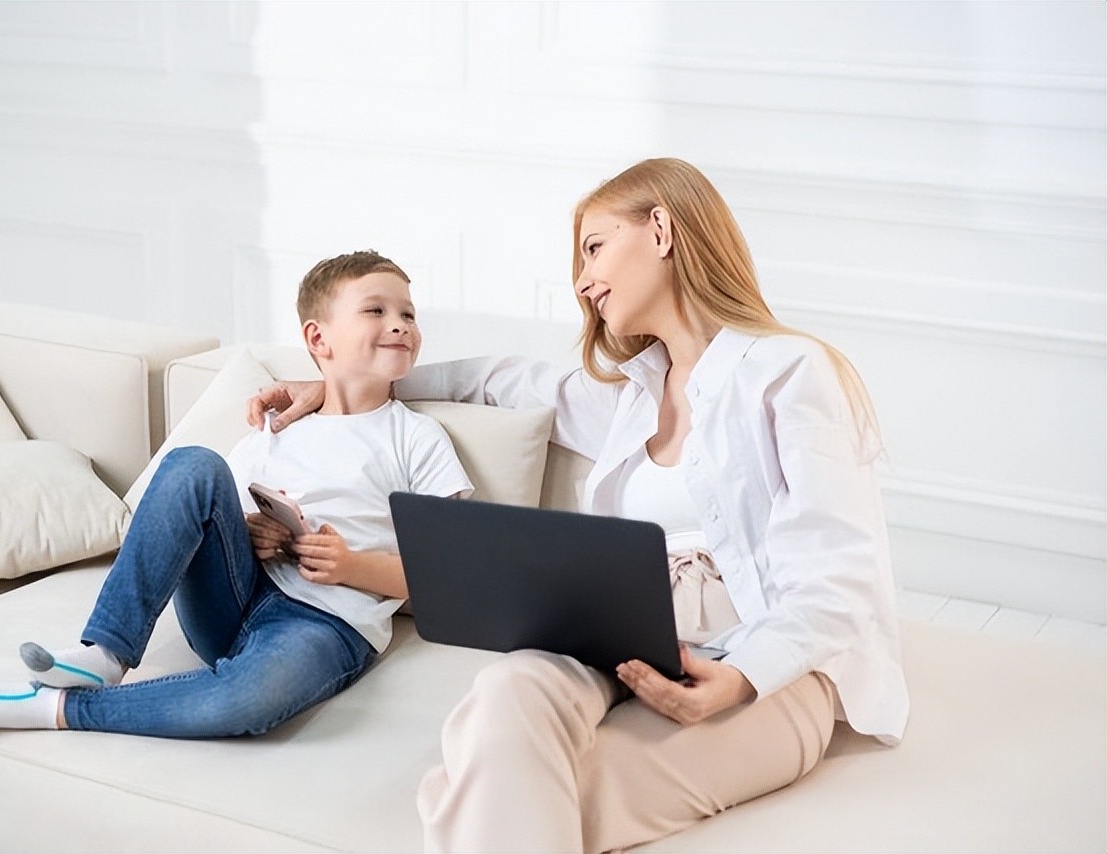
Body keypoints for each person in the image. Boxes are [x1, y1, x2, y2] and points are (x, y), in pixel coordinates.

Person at [248, 159, 909, 851]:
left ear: (661, 230)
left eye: (595, 248)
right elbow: (499, 380)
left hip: (774, 669)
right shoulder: (629, 396)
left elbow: (838, 580)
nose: (584, 281)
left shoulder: (790, 373)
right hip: (621, 634)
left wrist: (741, 678)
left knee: (528, 791)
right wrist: (343, 383)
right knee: (507, 694)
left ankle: (469, 803)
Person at [0, 250, 473, 738]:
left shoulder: (417, 437)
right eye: (376, 310)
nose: (401, 324)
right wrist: (251, 530)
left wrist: (350, 565)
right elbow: (209, 516)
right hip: (233, 599)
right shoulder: (276, 430)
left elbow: (448, 575)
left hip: (326, 624)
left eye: (408, 314)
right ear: (318, 339)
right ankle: (104, 652)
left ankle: (49, 708)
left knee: (244, 702)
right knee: (193, 463)